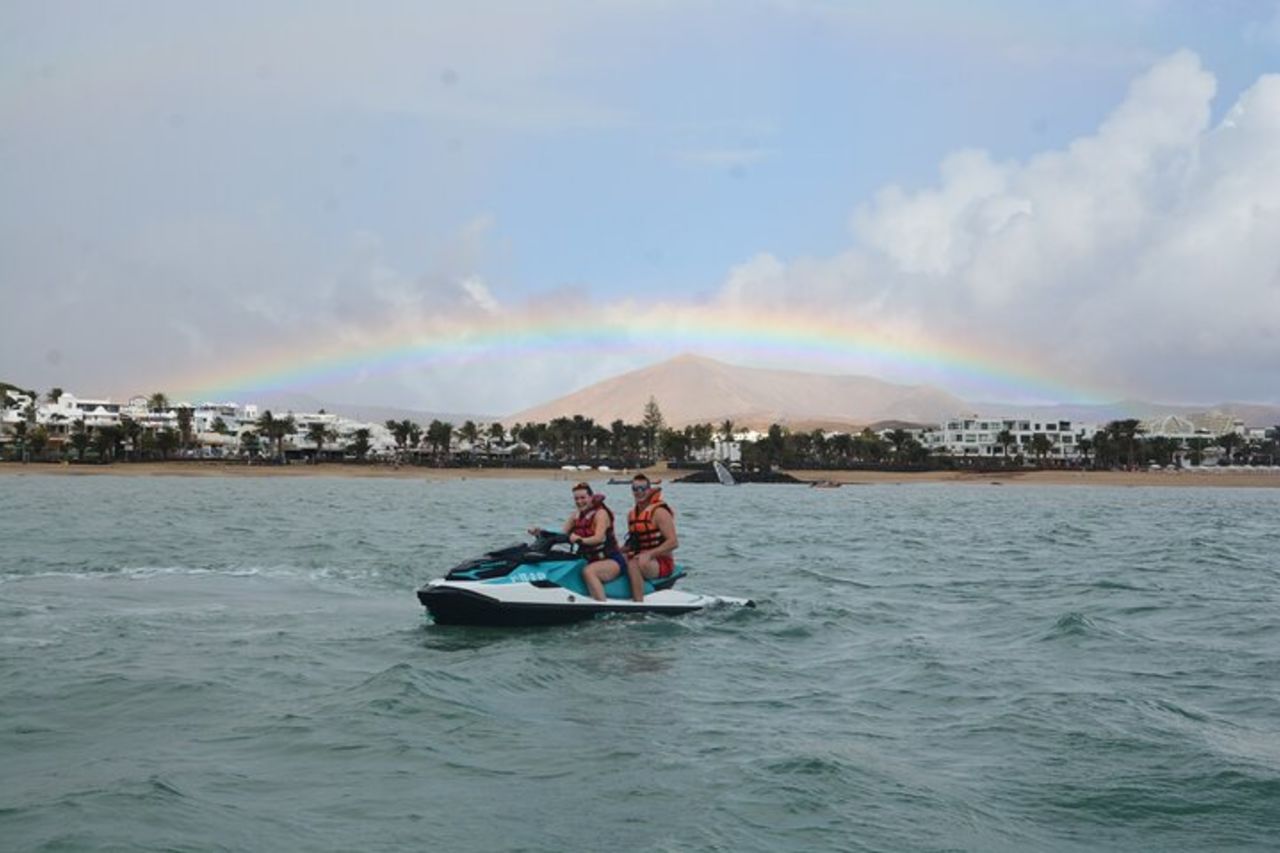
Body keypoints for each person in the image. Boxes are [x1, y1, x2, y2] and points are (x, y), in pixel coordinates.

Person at [532, 482, 627, 602]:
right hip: (588, 559)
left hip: (610, 560)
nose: (579, 501)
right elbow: (562, 533)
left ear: (591, 497)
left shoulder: (601, 514)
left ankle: (602, 606)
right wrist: (541, 532)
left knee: (589, 572)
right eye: (576, 498)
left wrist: (580, 540)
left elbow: (599, 538)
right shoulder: (576, 516)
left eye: (583, 498)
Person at [625, 473, 678, 602]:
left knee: (633, 564)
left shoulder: (659, 512)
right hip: (641, 557)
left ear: (649, 490)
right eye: (635, 489)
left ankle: (638, 604)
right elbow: (632, 543)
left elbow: (673, 542)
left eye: (643, 488)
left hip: (662, 562)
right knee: (618, 559)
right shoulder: (632, 514)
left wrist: (649, 554)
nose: (639, 492)